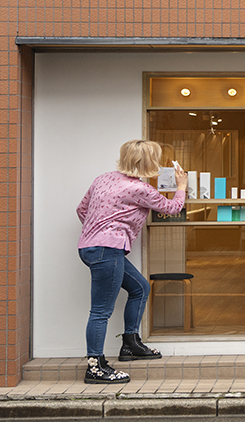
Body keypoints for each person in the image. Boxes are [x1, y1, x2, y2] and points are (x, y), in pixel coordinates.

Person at [76, 139, 188, 384]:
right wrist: (182, 185)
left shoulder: (103, 178)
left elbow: (81, 210)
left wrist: (98, 231)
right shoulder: (141, 189)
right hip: (108, 250)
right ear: (149, 162)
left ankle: (131, 343)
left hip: (91, 247)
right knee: (100, 311)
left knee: (139, 288)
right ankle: (95, 367)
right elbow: (172, 208)